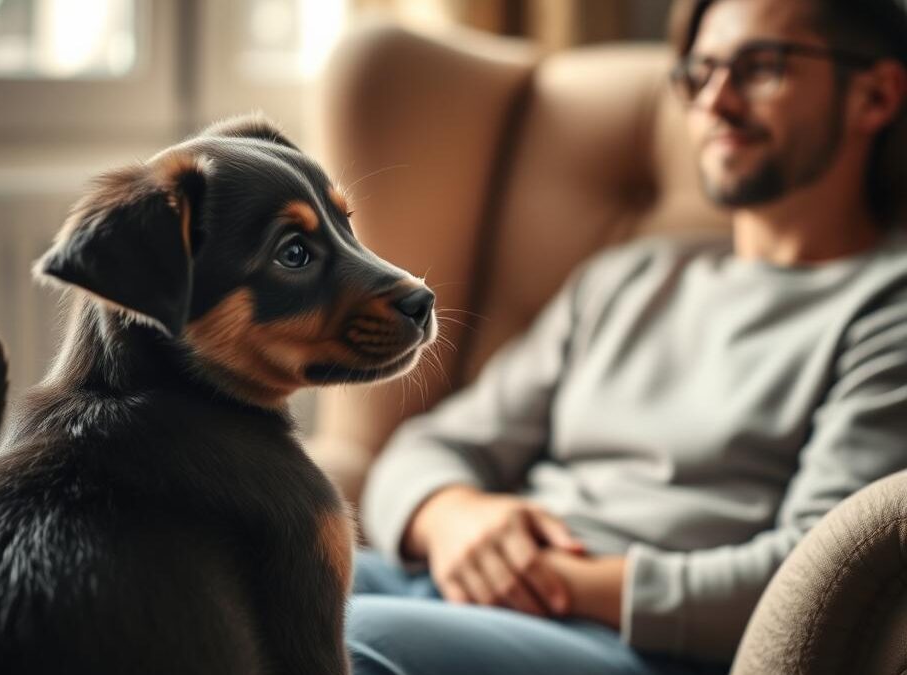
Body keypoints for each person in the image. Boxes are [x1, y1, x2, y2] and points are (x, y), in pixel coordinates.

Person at [347, 0, 907, 672]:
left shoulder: (888, 305)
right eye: (699, 73)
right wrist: (452, 516)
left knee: (332, 639)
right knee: (216, 579)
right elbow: (433, 444)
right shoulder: (627, 278)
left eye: (761, 68)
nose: (715, 102)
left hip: (632, 644)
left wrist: (545, 579)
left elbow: (822, 576)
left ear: (875, 95)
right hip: (461, 588)